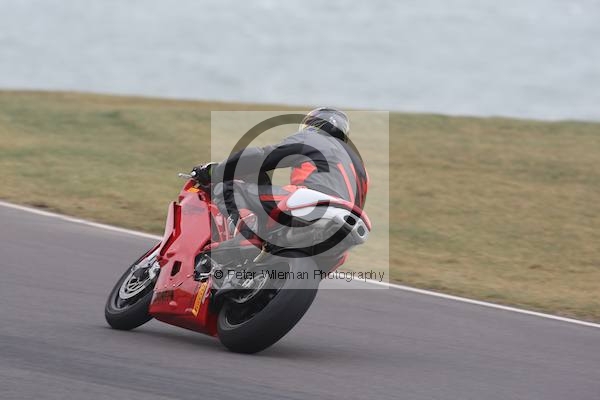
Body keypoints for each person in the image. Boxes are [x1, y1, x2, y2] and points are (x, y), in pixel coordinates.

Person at [191, 107, 369, 252]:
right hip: (347, 219)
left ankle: (247, 235)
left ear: (314, 124)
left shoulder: (313, 138)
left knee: (229, 188)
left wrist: (216, 171)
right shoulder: (360, 167)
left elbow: (262, 157)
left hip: (310, 199)